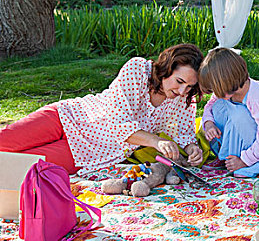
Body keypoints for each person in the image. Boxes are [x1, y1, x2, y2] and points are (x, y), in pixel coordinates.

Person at [0, 44, 204, 176]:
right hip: (67, 117)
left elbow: (184, 133)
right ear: (167, 68)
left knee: (14, 169)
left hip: (86, 152)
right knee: (5, 141)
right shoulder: (138, 69)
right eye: (179, 81)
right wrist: (156, 141)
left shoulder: (184, 98)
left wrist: (192, 149)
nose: (182, 90)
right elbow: (118, 123)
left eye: (189, 86)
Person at [199, 48, 259, 178]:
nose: (214, 93)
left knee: (238, 115)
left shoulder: (257, 97)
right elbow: (209, 106)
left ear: (226, 82)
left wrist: (244, 161)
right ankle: (227, 157)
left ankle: (251, 159)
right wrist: (209, 123)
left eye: (215, 88)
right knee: (218, 107)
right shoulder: (227, 92)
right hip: (249, 132)